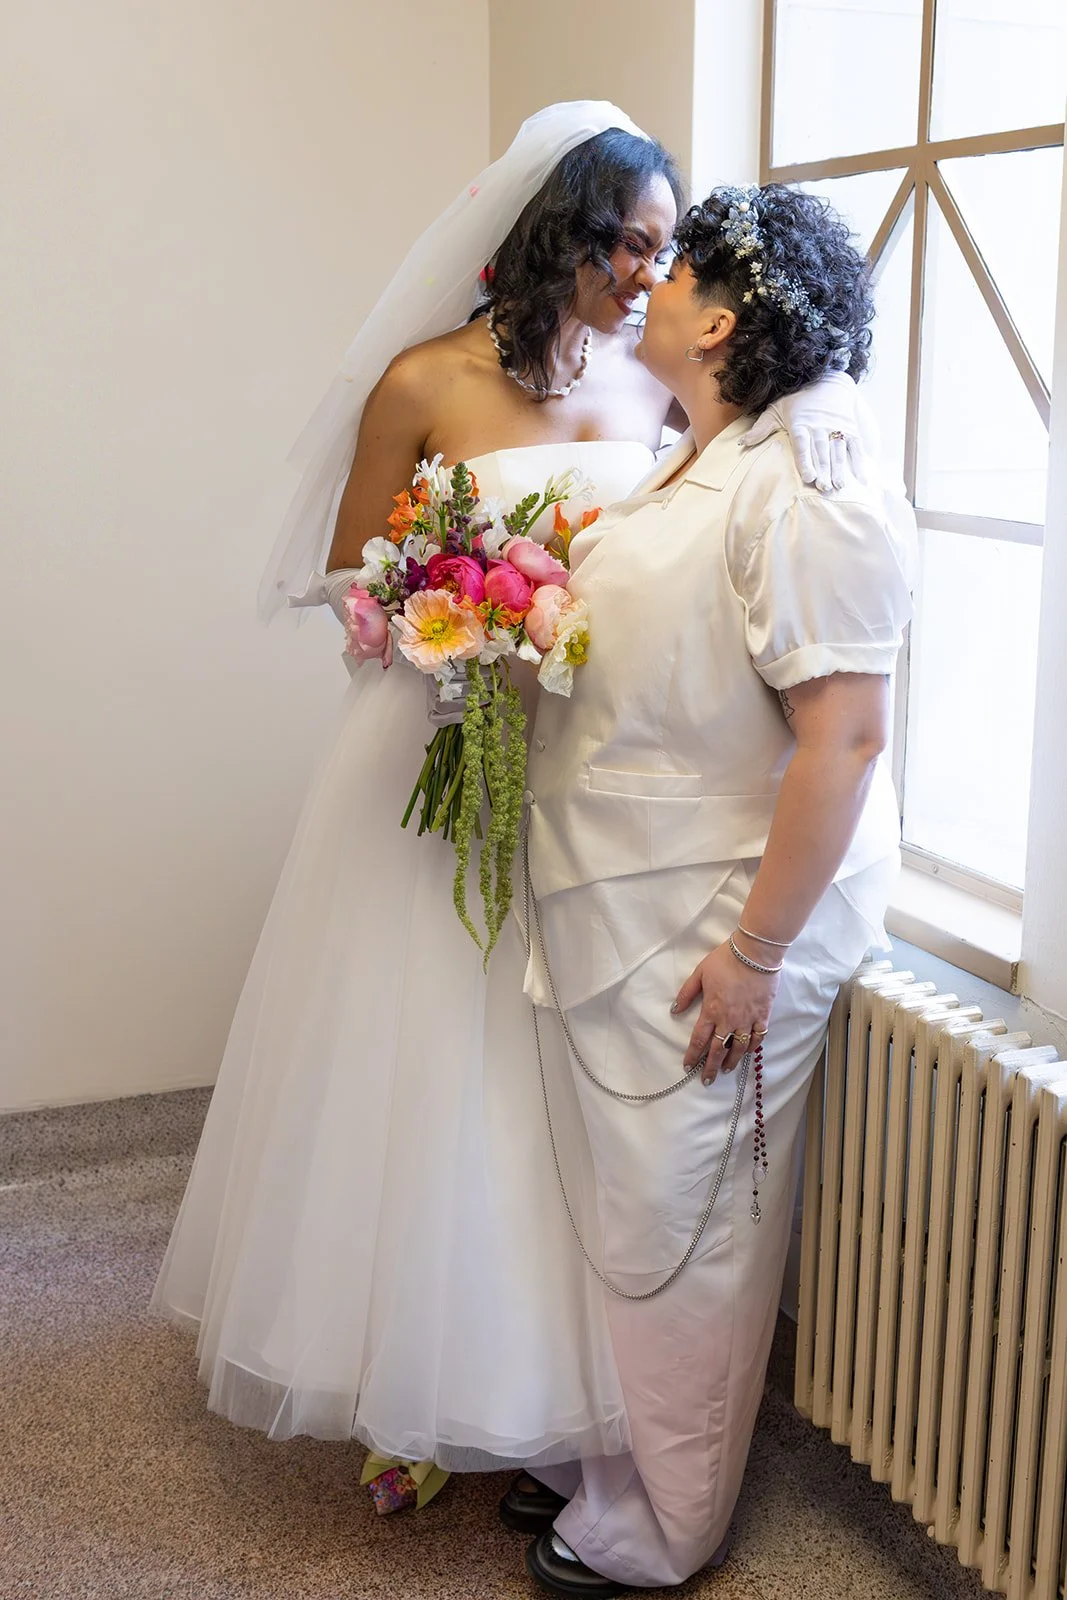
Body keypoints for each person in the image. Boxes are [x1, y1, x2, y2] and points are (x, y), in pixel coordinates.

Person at [151, 106, 866, 1507]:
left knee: (562, 1083)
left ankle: (555, 1394)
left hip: (590, 776)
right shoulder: (423, 383)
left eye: (670, 256)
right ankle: (408, 1391)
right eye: (635, 247)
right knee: (431, 1064)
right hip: (439, 747)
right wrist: (453, 612)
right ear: (563, 236)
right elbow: (347, 578)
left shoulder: (658, 393)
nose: (653, 280)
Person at [520, 183, 916, 1595]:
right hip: (623, 895)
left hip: (718, 919)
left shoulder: (811, 479)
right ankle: (611, 1462)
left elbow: (846, 735)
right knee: (629, 1210)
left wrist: (755, 952)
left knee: (691, 1225)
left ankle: (664, 1527)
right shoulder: (703, 451)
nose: (646, 282)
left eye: (672, 266)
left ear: (726, 315)